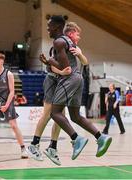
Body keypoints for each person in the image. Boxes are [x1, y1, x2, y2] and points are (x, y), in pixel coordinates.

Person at [43, 15, 112, 160]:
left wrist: (49, 62)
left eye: (49, 25)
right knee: (75, 116)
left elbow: (65, 67)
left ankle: (76, 139)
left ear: (57, 27)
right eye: (77, 33)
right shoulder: (68, 42)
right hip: (79, 78)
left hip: (69, 79)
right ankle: (100, 137)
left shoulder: (59, 42)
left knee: (55, 113)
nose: (47, 28)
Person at [27, 21, 88, 166]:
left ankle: (52, 147)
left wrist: (80, 55)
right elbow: (51, 67)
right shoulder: (59, 45)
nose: (79, 37)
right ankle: (33, 144)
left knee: (62, 116)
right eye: (77, 34)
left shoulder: (74, 48)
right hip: (52, 80)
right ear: (70, 34)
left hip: (63, 82)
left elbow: (85, 62)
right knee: (48, 113)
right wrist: (61, 71)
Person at [0, 53, 28, 159]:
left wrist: (7, 105)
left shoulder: (9, 74)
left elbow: (12, 92)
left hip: (8, 101)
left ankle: (23, 149)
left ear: (2, 61)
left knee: (14, 125)